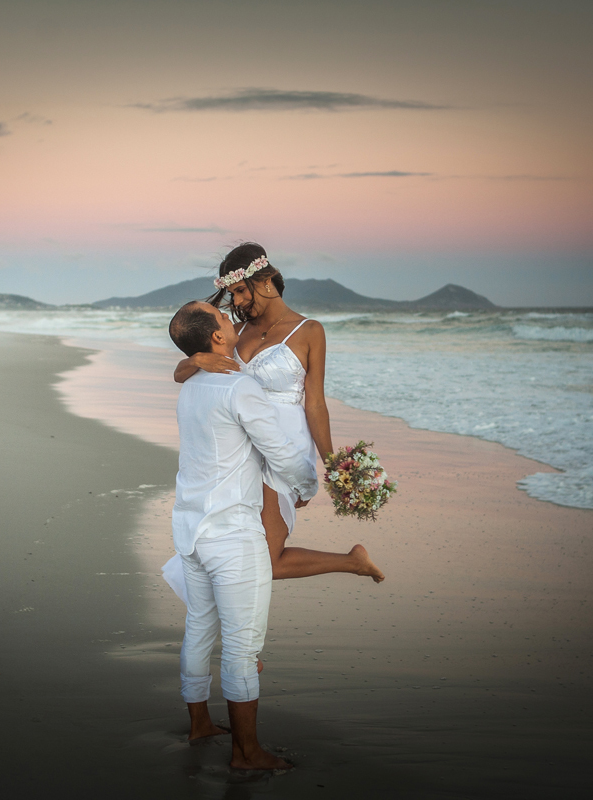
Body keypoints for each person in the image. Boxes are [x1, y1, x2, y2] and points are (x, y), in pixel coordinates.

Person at [174, 243, 384, 583]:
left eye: (241, 290)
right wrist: (196, 360)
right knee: (237, 550)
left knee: (266, 561)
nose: (238, 302)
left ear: (267, 278)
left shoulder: (309, 331)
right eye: (232, 295)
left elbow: (315, 403)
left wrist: (332, 465)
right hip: (240, 449)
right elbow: (182, 375)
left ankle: (354, 562)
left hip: (282, 448)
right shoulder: (233, 332)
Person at [168, 299, 317, 770]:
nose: (231, 320)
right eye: (222, 319)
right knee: (242, 646)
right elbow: (283, 452)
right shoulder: (238, 389)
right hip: (232, 534)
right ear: (215, 338)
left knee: (199, 629)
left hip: (190, 530)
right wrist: (308, 485)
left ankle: (199, 724)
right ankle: (247, 752)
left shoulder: (190, 388)